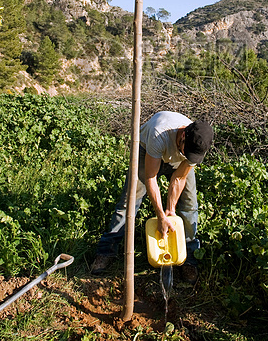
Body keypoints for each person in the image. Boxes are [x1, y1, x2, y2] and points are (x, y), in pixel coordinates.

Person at [91, 111, 213, 284]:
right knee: (130, 199)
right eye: (187, 152)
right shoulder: (159, 134)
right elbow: (150, 178)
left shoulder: (198, 145)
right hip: (146, 150)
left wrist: (170, 210)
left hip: (174, 157)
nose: (189, 157)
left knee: (189, 204)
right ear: (183, 135)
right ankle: (106, 250)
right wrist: (160, 216)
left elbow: (178, 178)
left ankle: (189, 259)